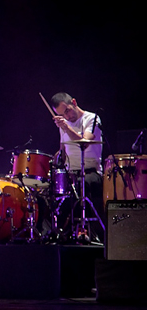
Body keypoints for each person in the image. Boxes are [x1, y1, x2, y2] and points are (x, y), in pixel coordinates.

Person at [50, 92, 104, 241]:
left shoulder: (91, 119)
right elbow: (62, 151)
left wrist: (66, 127)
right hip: (71, 173)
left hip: (92, 173)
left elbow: (85, 143)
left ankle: (66, 230)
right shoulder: (63, 125)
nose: (67, 116)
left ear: (74, 102)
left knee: (79, 185)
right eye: (62, 115)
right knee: (49, 189)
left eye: (67, 110)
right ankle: (55, 231)